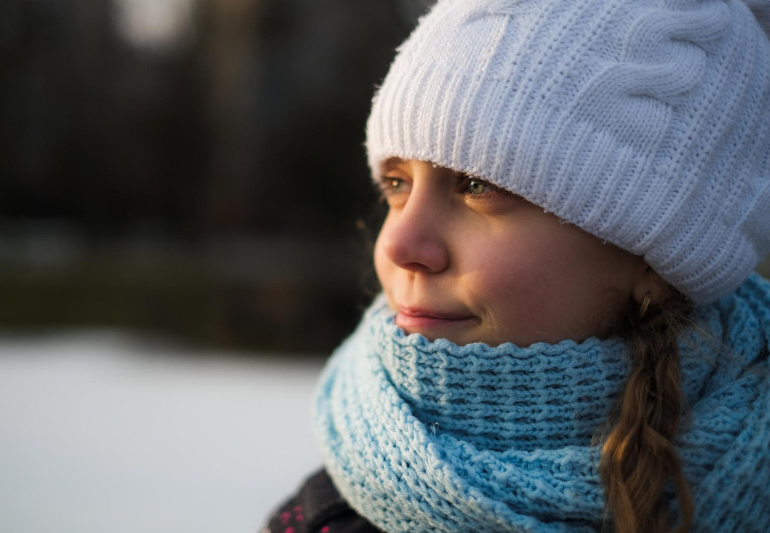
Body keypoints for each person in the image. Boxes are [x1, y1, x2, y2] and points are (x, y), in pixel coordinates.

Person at [262, 0, 770, 531]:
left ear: (656, 258)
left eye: (477, 185)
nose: (399, 244)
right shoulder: (328, 516)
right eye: (397, 184)